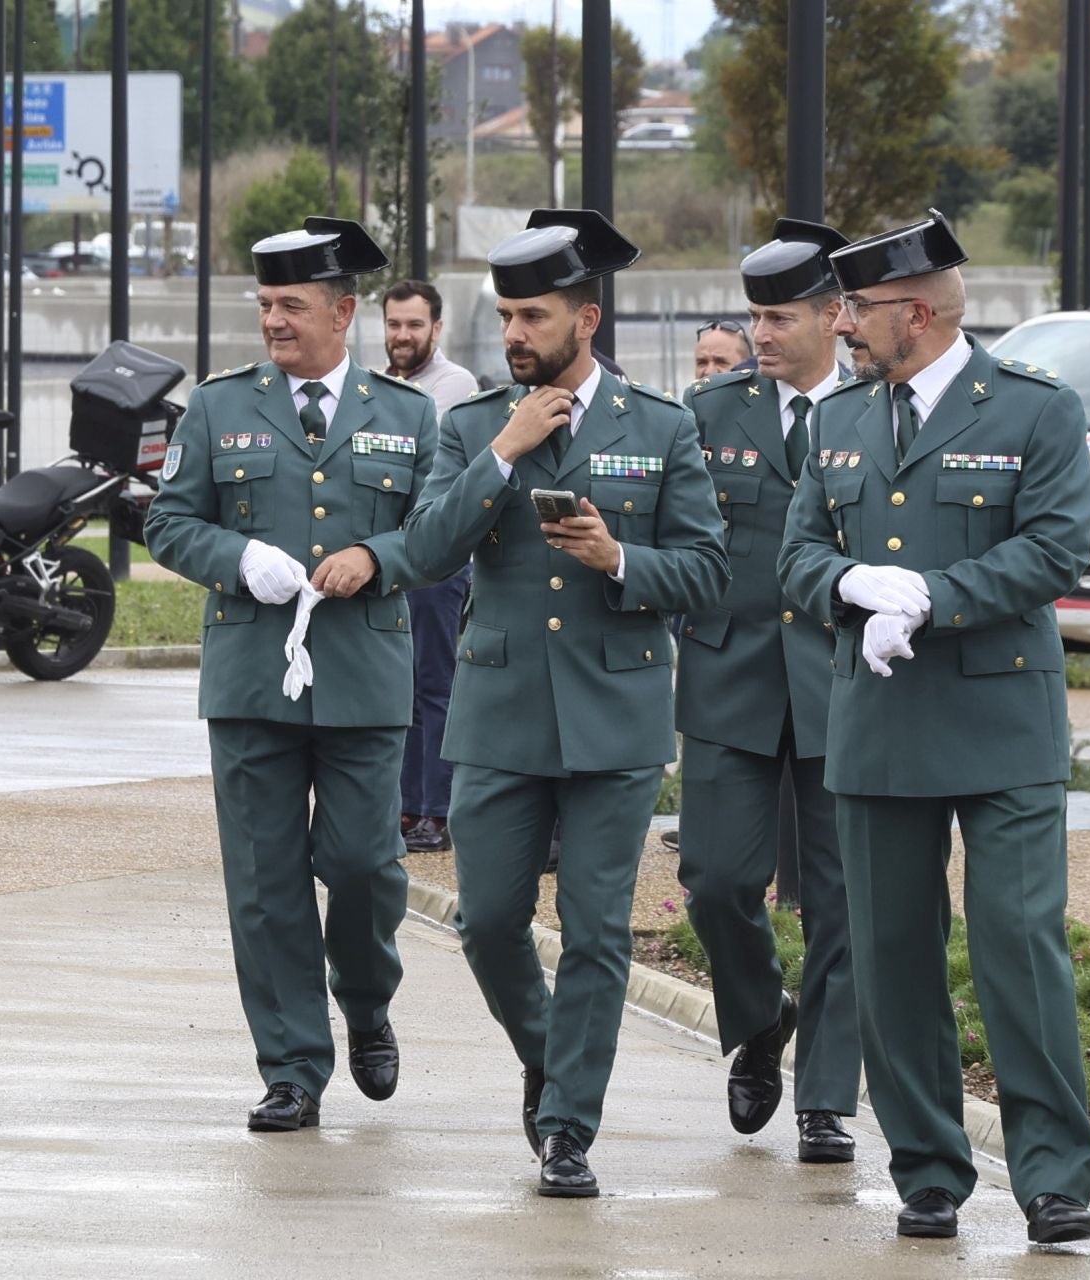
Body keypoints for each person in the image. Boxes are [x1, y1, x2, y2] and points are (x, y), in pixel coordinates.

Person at [778, 208, 1090, 1243]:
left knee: (1018, 941)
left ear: (917, 312)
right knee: (892, 954)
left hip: (1000, 713)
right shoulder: (835, 423)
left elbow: (1055, 548)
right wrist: (850, 583)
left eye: (857, 308)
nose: (841, 325)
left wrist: (930, 594)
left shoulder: (1033, 410)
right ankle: (926, 1166)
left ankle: (1053, 1174)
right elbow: (795, 559)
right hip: (877, 721)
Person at [403, 209, 728, 1198]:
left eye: (533, 316)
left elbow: (710, 573)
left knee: (596, 930)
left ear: (586, 317)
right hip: (500, 714)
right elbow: (421, 551)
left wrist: (620, 557)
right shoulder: (468, 425)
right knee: (489, 921)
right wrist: (502, 451)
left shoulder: (663, 426)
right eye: (504, 315)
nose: (514, 334)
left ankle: (568, 1128)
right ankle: (549, 1059)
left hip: (614, 716)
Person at [145, 217, 438, 1132]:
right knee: (267, 883)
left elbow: (436, 533)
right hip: (250, 677)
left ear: (344, 311)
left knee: (363, 868)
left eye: (293, 306)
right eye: (265, 305)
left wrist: (375, 556)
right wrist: (238, 558)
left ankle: (366, 997)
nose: (274, 322)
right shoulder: (219, 407)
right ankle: (292, 1068)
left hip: (363, 674)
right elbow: (168, 523)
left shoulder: (408, 413)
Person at [676, 219, 859, 1165]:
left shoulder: (878, 415)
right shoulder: (710, 417)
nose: (762, 335)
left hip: (845, 687)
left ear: (835, 315)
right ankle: (758, 1020)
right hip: (729, 679)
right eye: (753, 317)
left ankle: (826, 1098)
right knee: (713, 882)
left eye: (780, 316)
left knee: (840, 901)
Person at [381, 279, 479, 855]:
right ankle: (405, 806)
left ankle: (436, 812)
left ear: (435, 329)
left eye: (414, 325)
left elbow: (416, 462)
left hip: (437, 561)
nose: (402, 335)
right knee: (401, 685)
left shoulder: (453, 385)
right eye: (394, 324)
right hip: (395, 556)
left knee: (434, 684)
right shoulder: (384, 385)